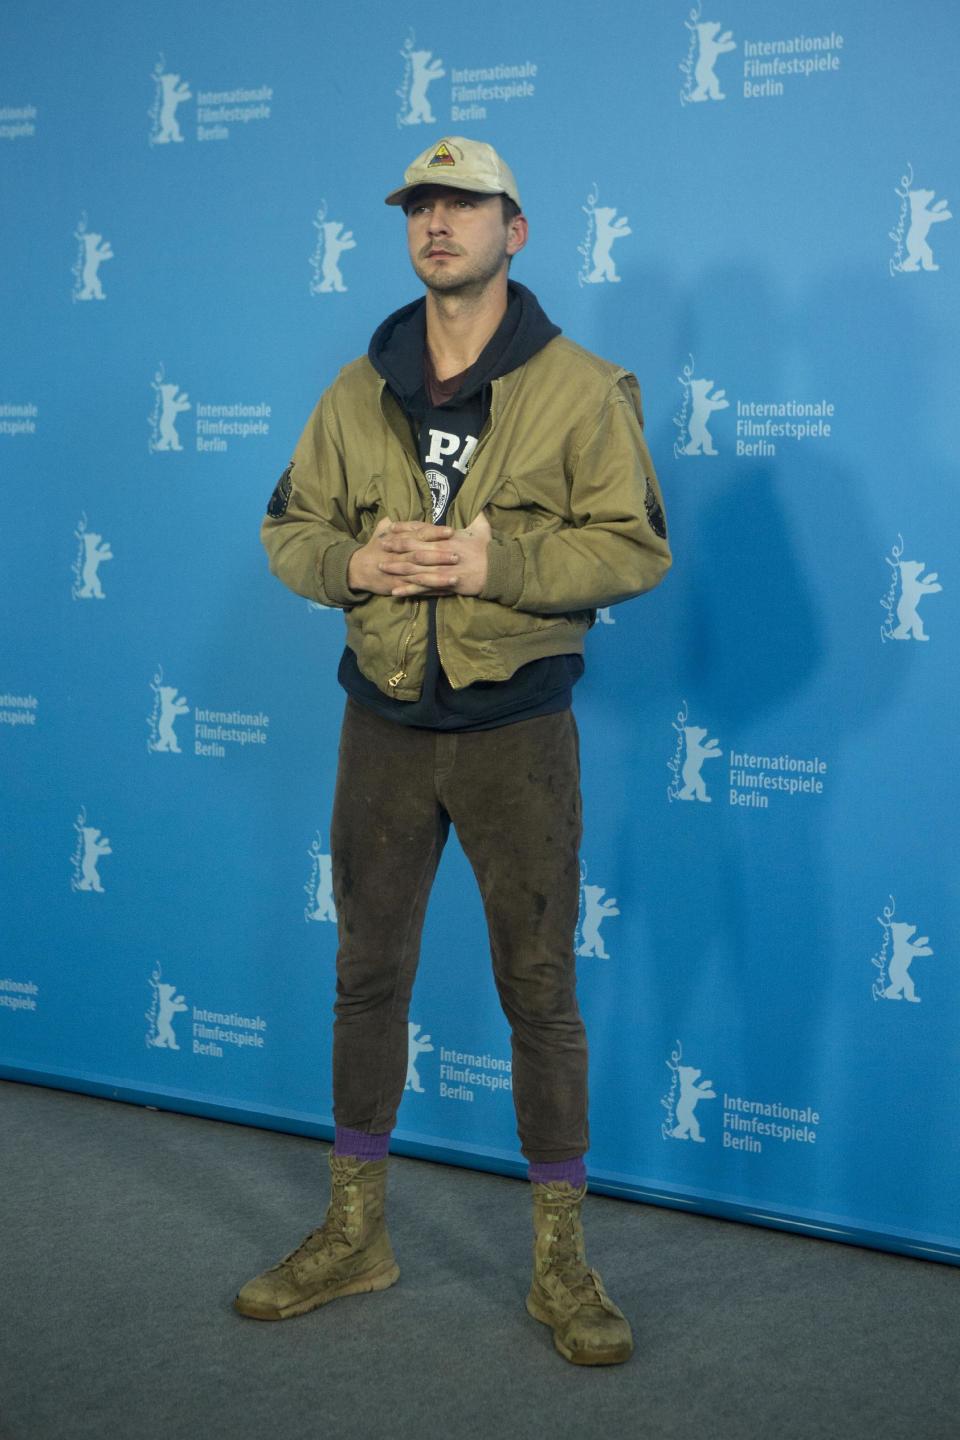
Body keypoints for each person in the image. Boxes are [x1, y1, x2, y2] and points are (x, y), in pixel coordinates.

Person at [235, 136, 671, 1366]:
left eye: (464, 204)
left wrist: (501, 564)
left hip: (513, 735)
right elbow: (288, 527)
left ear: (515, 228)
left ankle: (560, 1265)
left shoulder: (583, 389)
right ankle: (354, 1233)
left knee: (540, 994)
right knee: (365, 980)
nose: (438, 222)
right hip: (379, 725)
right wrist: (351, 566)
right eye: (420, 204)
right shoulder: (356, 387)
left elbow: (634, 548)